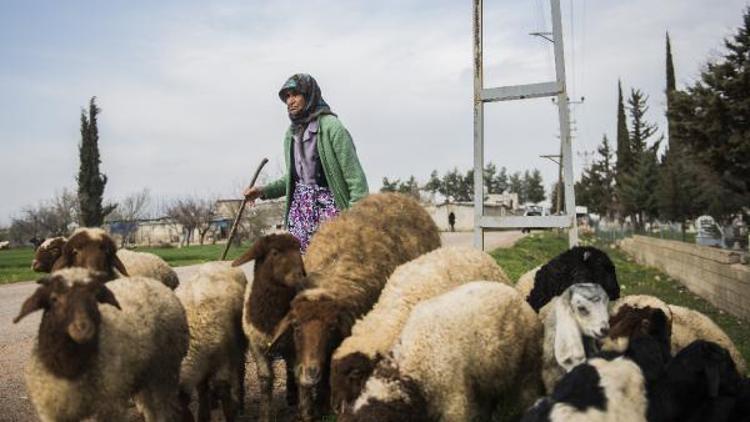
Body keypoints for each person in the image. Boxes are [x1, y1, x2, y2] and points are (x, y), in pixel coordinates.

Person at [243, 74, 369, 252]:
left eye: (295, 94)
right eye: (287, 96)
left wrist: (355, 220)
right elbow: (292, 178)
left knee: (334, 267)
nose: (290, 101)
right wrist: (263, 191)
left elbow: (356, 179)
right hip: (301, 215)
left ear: (310, 95)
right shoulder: (291, 134)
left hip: (330, 213)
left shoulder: (332, 127)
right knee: (303, 272)